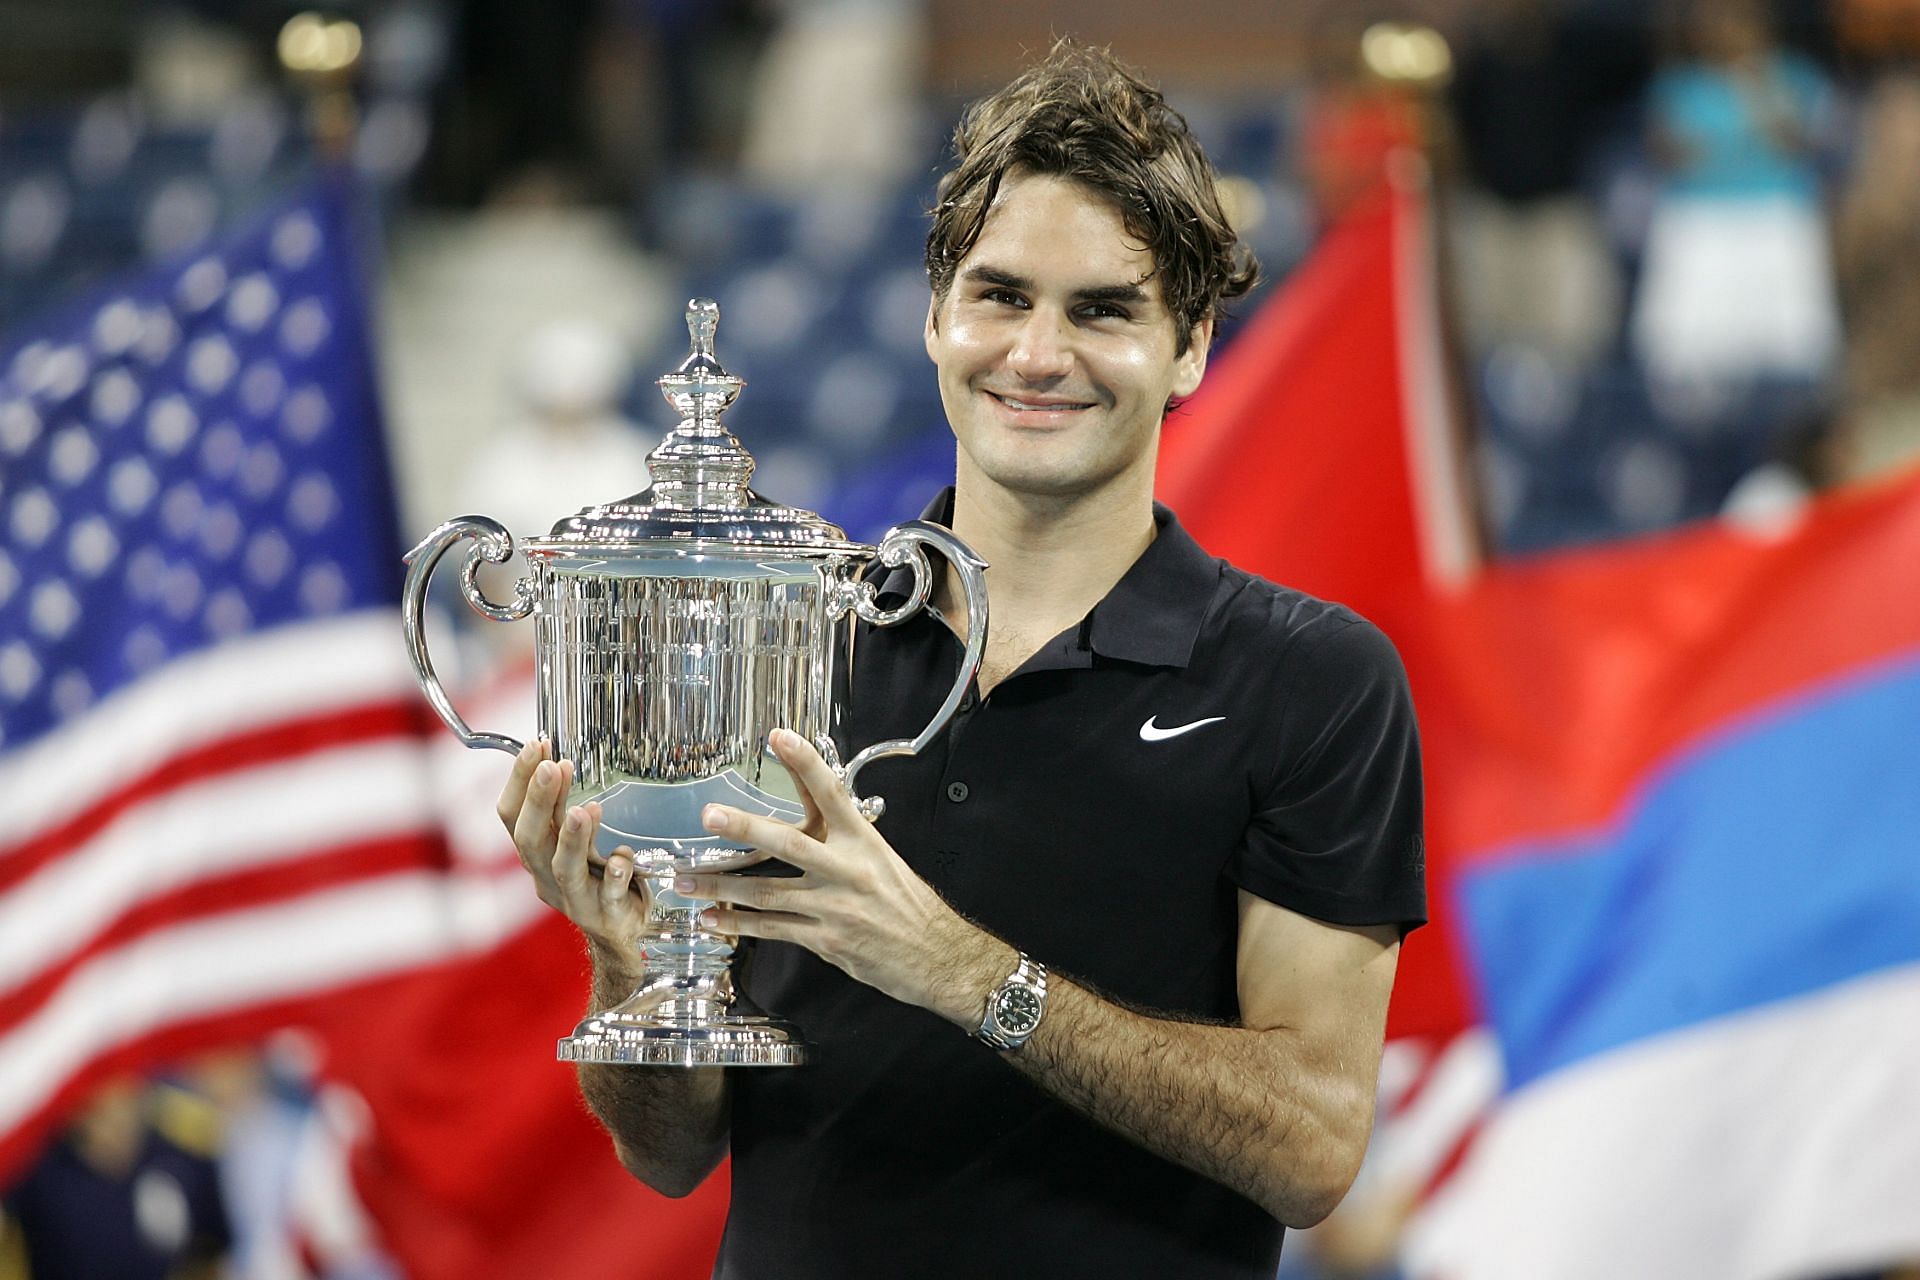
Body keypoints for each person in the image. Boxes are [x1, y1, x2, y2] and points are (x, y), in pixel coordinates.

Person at [498, 40, 1426, 1279]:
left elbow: (1312, 1145)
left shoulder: (1315, 681)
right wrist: (626, 955)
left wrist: (956, 968)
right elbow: (671, 1149)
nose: (1038, 354)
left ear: (1193, 345)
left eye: (1104, 310)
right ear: (936, 315)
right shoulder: (791, 644)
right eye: (1001, 295)